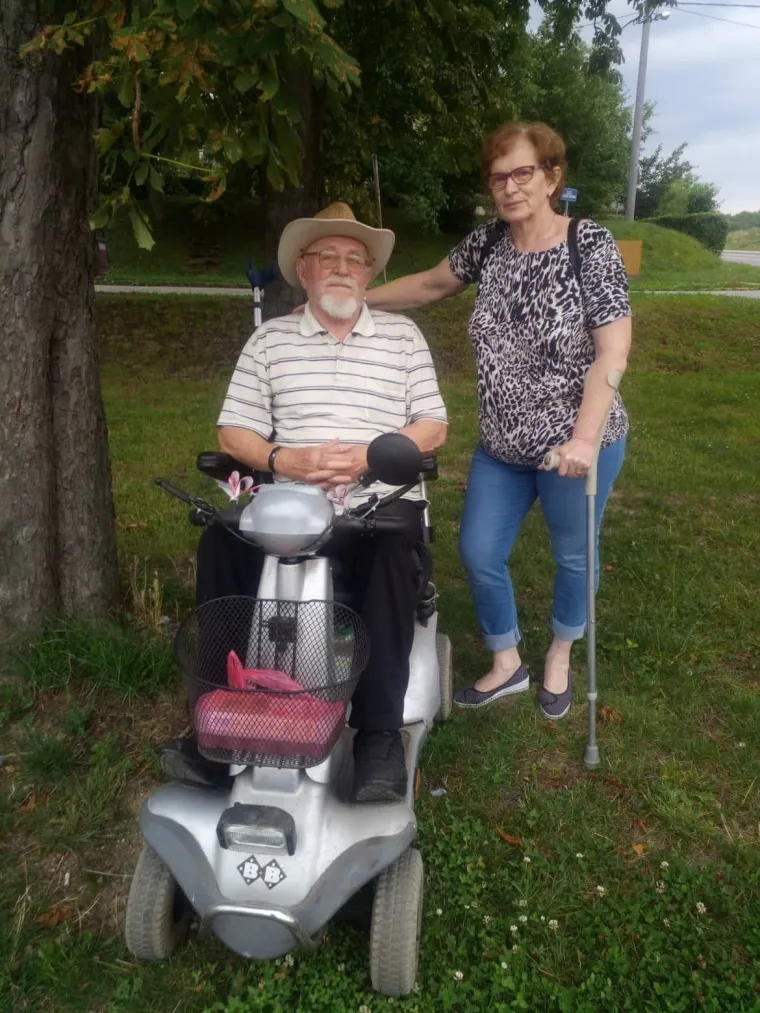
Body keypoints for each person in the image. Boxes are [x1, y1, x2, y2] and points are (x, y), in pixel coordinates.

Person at [179, 202, 448, 804]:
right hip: (286, 502)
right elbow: (233, 434)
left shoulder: (403, 337)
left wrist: (372, 457)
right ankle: (213, 717)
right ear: (303, 269)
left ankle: (378, 734)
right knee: (220, 540)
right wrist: (283, 461)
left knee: (389, 548)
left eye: (356, 260)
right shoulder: (269, 340)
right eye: (328, 257)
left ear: (370, 275)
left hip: (375, 500)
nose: (342, 268)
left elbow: (432, 425)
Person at [364, 121, 631, 720]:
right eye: (497, 177)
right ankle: (507, 662)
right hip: (502, 447)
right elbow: (432, 285)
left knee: (573, 557)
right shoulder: (488, 243)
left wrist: (584, 438)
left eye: (522, 173)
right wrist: (357, 298)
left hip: (575, 445)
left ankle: (561, 652)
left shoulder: (588, 244)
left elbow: (613, 353)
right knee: (479, 551)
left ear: (552, 176)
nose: (508, 187)